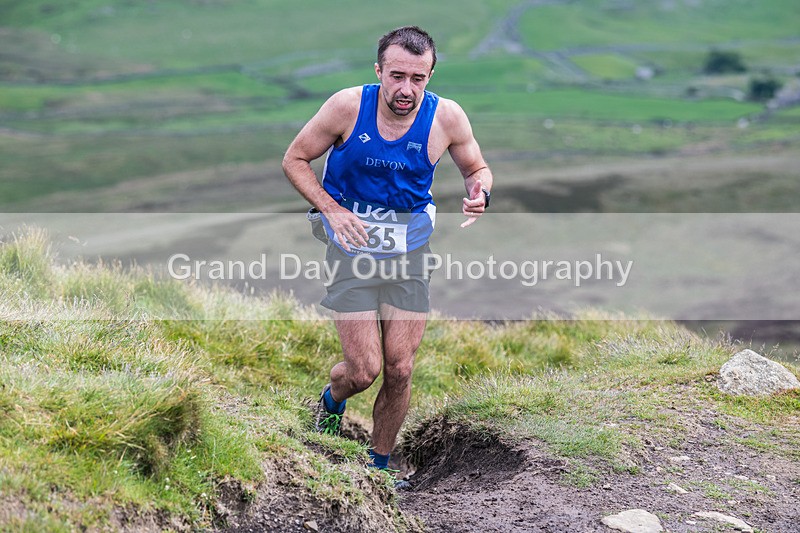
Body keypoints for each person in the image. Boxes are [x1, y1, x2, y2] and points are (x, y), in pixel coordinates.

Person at [282, 26, 494, 475]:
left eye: (418, 79)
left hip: (409, 255)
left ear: (431, 75)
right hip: (351, 251)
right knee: (363, 371)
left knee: (399, 368)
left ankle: (378, 466)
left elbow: (477, 167)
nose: (406, 89)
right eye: (397, 76)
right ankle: (330, 399)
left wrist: (481, 191)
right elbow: (295, 160)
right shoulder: (347, 107)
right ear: (379, 70)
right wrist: (332, 209)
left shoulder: (446, 118)